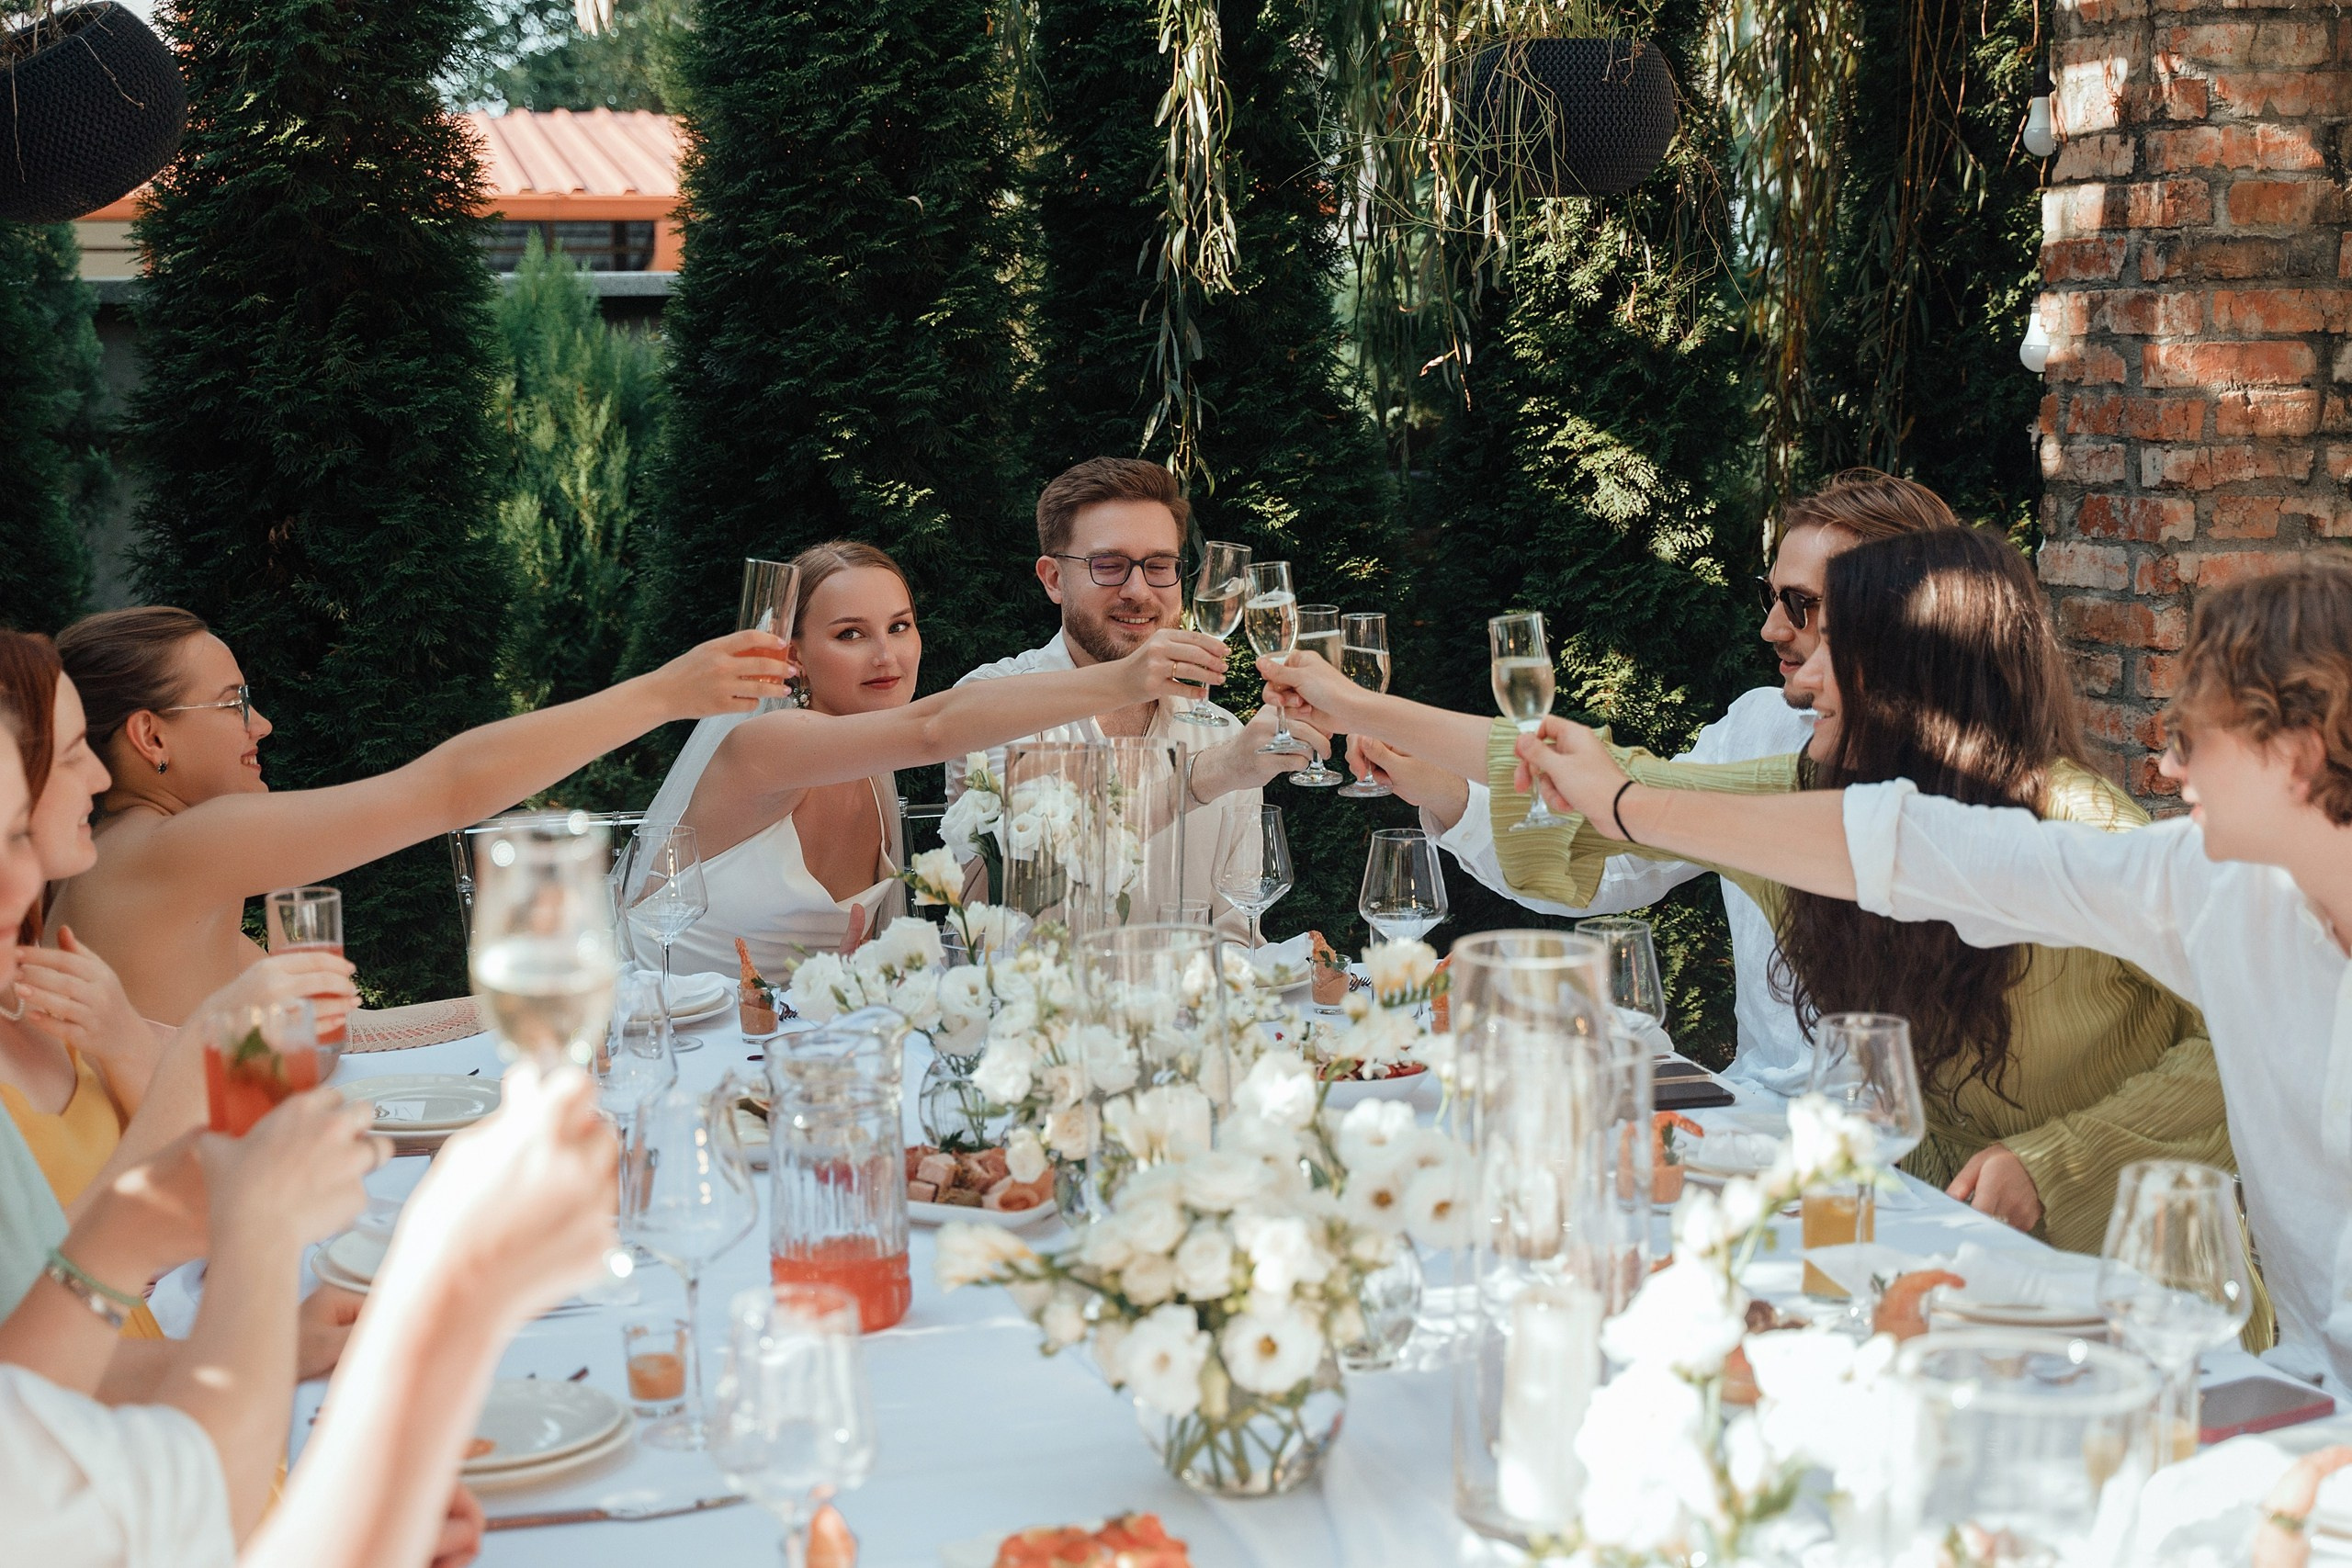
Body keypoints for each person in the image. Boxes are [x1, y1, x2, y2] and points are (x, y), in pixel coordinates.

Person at [1499, 555, 2352, 1393]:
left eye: (2192, 737)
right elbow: (1916, 850)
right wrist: (1620, 803)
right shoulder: (2205, 887)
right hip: (2305, 1392)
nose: (2168, 769)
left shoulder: (2186, 874)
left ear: (2300, 749)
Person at [1261, 528, 2235, 1258]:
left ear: (1916, 668)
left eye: (1821, 640)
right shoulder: (1815, 795)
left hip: (2131, 1268)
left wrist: (2054, 1165)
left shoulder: (2077, 826)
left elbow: (2232, 1055)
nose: (1792, 668)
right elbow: (1612, 781)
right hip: (1938, 1248)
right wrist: (1357, 708)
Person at [1351, 468, 1958, 1096]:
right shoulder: (1759, 725)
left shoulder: (1976, 794)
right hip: (1752, 1112)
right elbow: (1614, 857)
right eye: (1768, 597)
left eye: (1801, 604)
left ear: (1891, 613)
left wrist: (1359, 706)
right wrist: (1444, 791)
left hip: (1902, 1149)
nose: (1771, 628)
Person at [49, 607, 790, 1026]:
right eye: (236, 702)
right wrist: (662, 694)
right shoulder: (171, 848)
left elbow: (350, 1037)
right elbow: (445, 791)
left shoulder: (164, 871)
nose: (263, 724)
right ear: (150, 736)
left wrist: (551, 1012)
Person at [637, 538, 1231, 977]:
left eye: (899, 626)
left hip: (791, 1043)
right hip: (668, 1037)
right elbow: (934, 728)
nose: (886, 656)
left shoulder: (871, 760)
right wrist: (1122, 679)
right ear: (793, 656)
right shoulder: (765, 746)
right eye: (850, 634)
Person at [946, 458, 1333, 939]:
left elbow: (1235, 932)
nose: (1139, 591)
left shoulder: (1225, 732)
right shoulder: (993, 704)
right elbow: (1015, 903)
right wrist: (1209, 774)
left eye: (1159, 566)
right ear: (1052, 579)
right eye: (1108, 566)